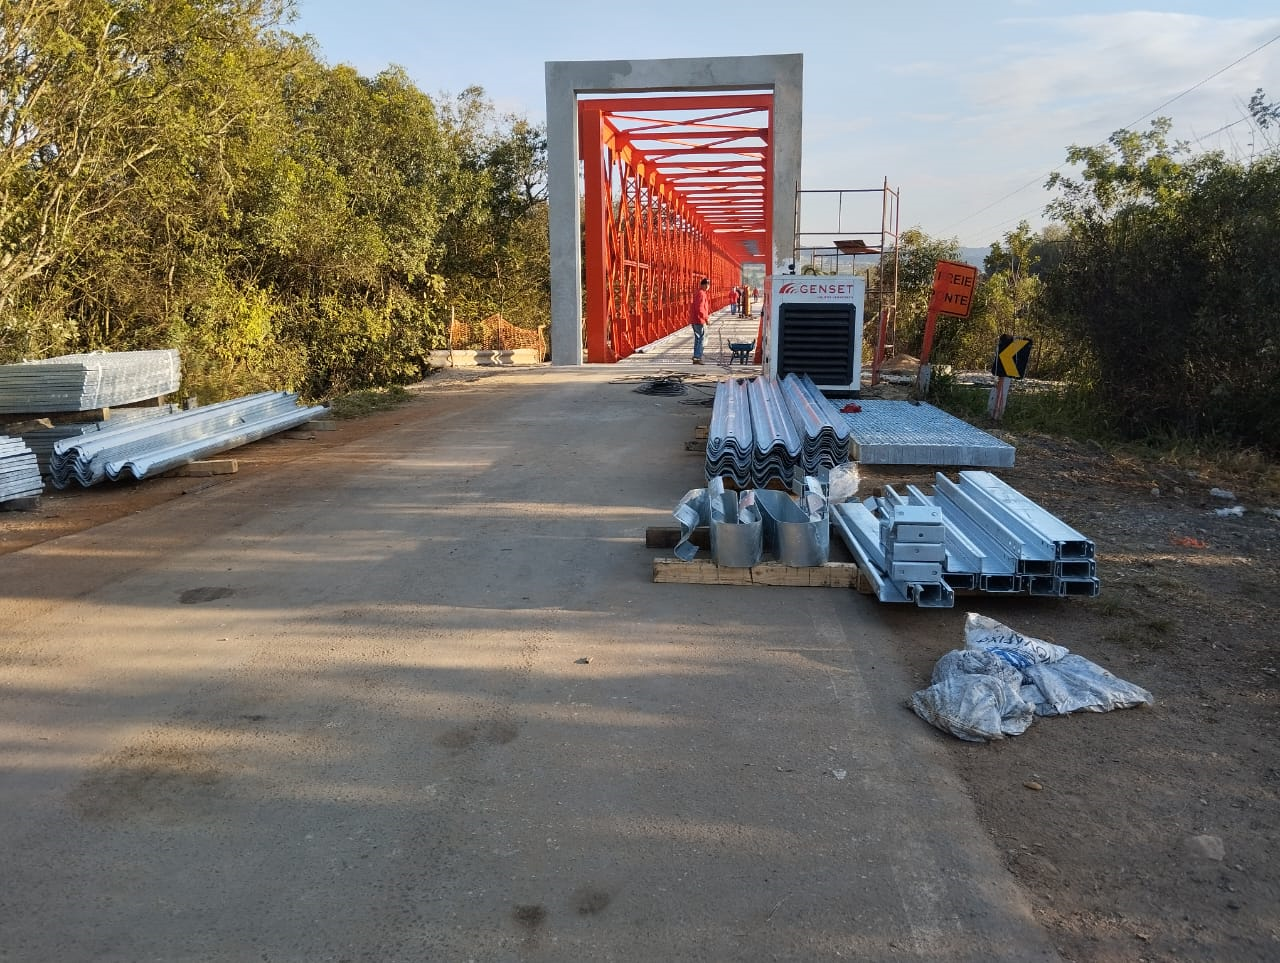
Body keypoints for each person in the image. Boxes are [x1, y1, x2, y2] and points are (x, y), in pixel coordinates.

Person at [689, 277, 710, 364]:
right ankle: (698, 357)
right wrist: (705, 318)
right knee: (702, 338)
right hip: (699, 320)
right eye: (708, 285)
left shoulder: (699, 293)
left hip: (695, 319)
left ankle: (696, 356)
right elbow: (700, 308)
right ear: (705, 285)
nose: (709, 287)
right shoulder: (702, 294)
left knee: (698, 338)